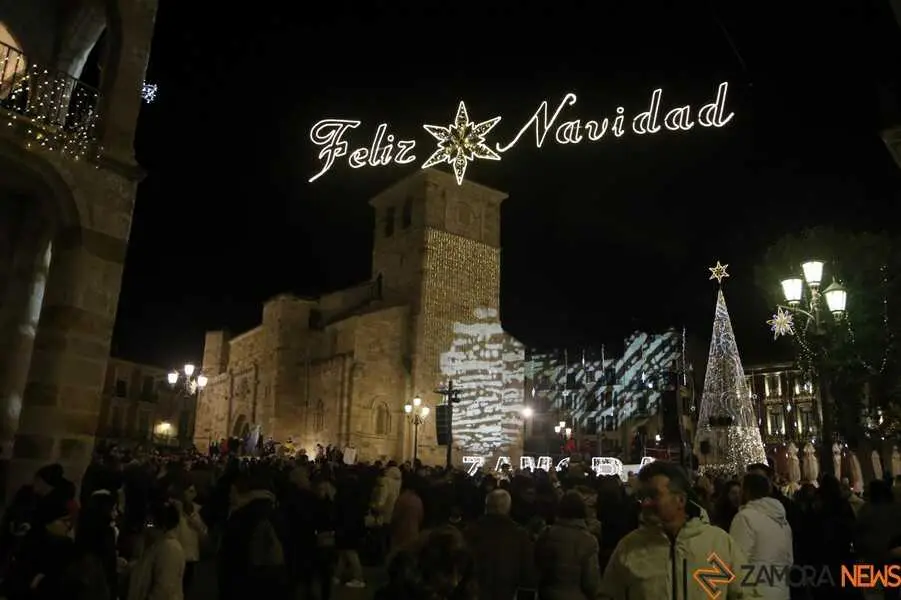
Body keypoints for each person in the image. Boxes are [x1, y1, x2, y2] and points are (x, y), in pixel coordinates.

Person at [602, 461, 753, 599]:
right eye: (642, 497)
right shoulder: (629, 548)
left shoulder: (719, 544)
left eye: (654, 495)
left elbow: (748, 593)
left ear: (680, 499)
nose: (645, 503)